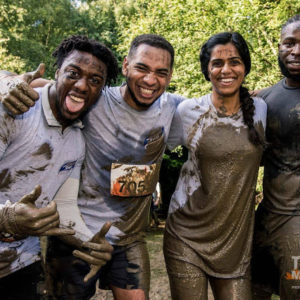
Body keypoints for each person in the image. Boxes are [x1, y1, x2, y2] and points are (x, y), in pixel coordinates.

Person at [3, 34, 184, 300]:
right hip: (72, 234)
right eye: (142, 68)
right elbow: (45, 86)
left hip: (126, 237)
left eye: (161, 72)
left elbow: (214, 108)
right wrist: (7, 80)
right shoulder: (94, 97)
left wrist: (259, 97)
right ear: (125, 66)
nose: (149, 79)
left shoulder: (174, 108)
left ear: (169, 77)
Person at [0, 35, 118, 300]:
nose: (81, 85)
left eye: (95, 80)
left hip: (21, 266)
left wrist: (90, 241)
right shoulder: (13, 108)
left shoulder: (76, 140)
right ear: (56, 73)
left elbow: (63, 207)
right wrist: (6, 219)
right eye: (73, 73)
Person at [163, 32, 267, 300]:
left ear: (245, 67)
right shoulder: (187, 111)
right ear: (207, 70)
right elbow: (152, 150)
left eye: (235, 61)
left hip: (236, 242)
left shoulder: (261, 109)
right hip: (186, 235)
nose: (226, 70)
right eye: (217, 63)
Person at [251, 14, 300, 300]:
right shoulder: (264, 100)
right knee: (252, 291)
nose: (296, 51)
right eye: (289, 43)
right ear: (279, 48)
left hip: (297, 229)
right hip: (265, 221)